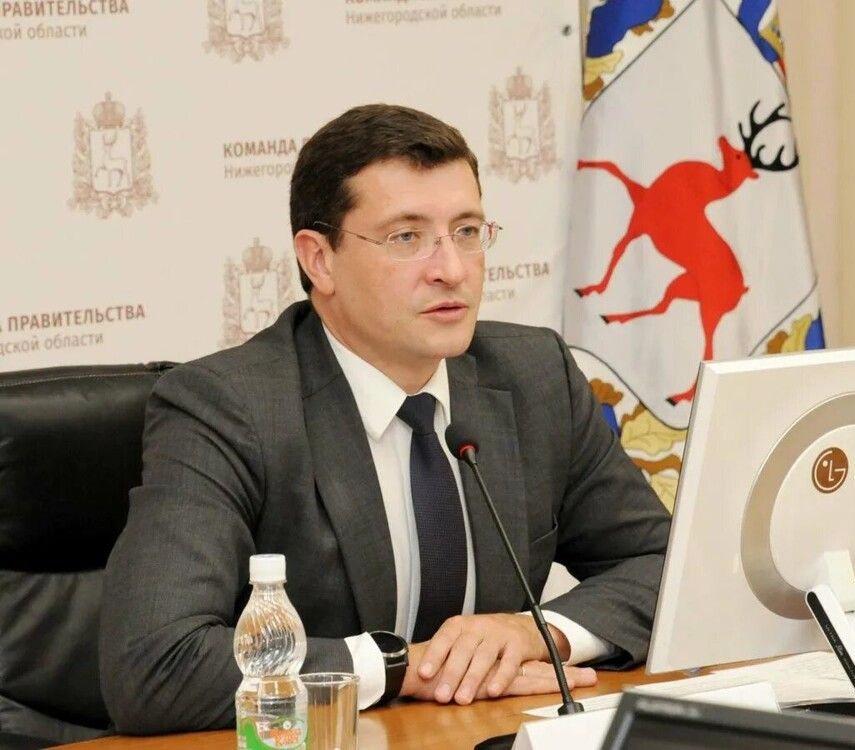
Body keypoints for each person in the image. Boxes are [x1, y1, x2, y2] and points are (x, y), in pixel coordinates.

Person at [99, 104, 670, 734]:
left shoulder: (535, 376)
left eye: (467, 231)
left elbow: (663, 564)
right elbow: (155, 663)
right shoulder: (228, 407)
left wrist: (540, 633)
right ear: (320, 260)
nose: (452, 269)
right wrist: (404, 667)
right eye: (406, 238)